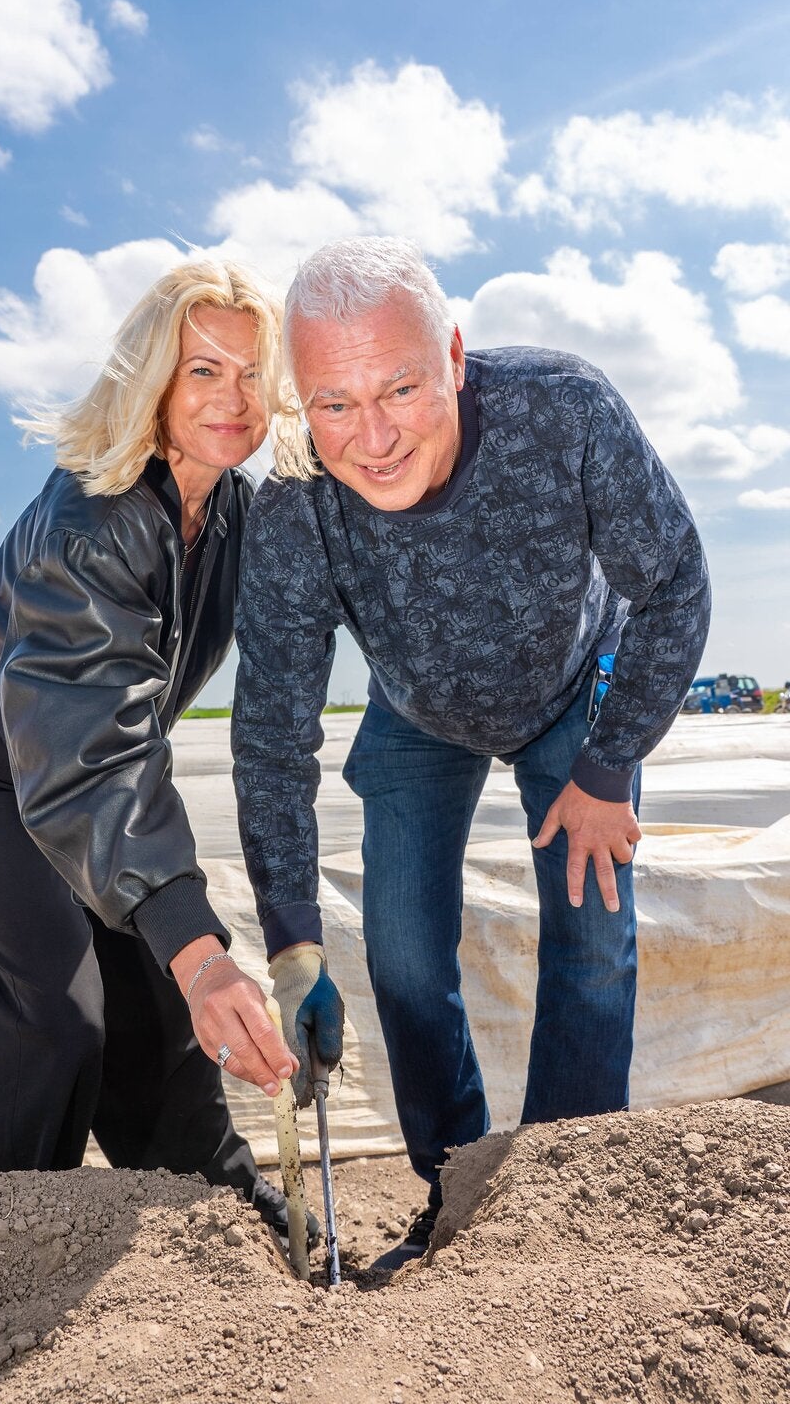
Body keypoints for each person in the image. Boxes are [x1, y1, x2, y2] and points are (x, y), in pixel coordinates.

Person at [232, 236, 711, 1268]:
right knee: (402, 952)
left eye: (400, 386)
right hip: (419, 709)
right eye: (334, 402)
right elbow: (271, 732)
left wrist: (608, 763)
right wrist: (290, 938)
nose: (372, 436)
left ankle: (554, 1200)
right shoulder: (295, 502)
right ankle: (457, 1195)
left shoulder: (562, 410)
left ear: (453, 353)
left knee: (590, 941)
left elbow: (675, 581)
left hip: (577, 689)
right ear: (301, 400)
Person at [0, 259, 310, 1241]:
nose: (233, 398)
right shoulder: (92, 523)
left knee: (157, 1009)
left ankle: (216, 1202)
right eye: (202, 370)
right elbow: (83, 750)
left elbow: (284, 653)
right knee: (55, 1003)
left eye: (253, 374)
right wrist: (204, 950)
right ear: (151, 380)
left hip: (104, 779)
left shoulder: (234, 515)